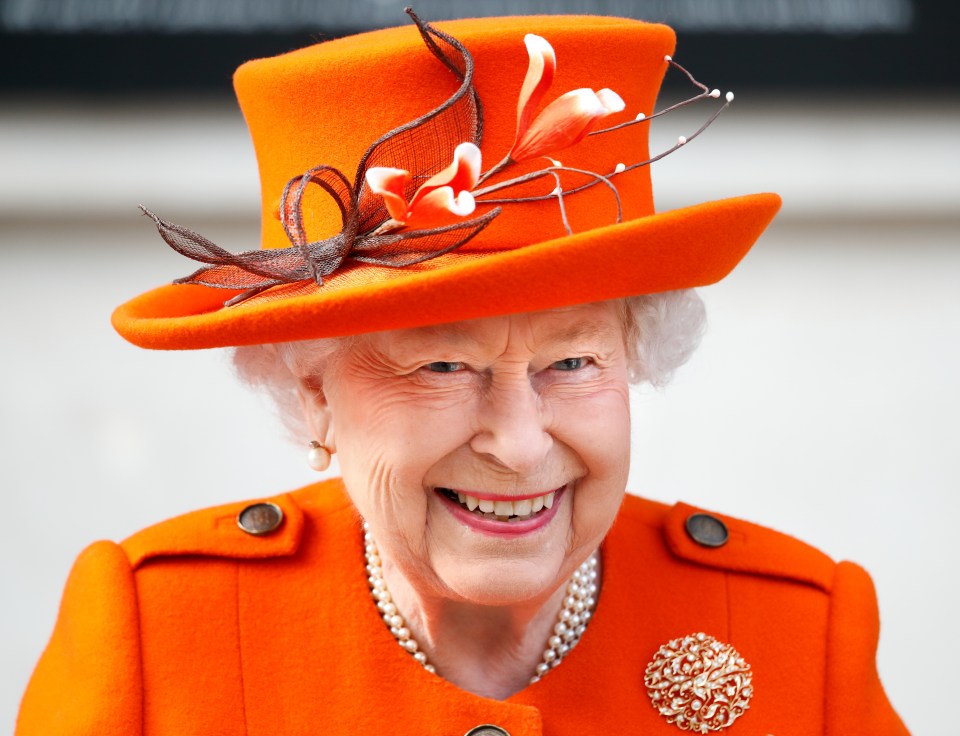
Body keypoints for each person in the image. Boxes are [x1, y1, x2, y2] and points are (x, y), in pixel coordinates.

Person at [17, 9, 908, 735]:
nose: (520, 446)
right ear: (313, 390)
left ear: (635, 358)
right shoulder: (163, 632)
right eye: (444, 365)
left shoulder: (797, 632)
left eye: (573, 361)